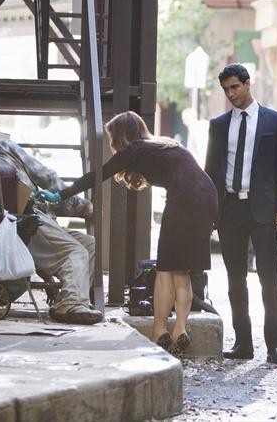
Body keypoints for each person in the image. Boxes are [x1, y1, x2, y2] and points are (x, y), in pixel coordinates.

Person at [37, 111, 218, 356]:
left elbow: (96, 176)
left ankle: (159, 330)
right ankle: (180, 329)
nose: (112, 144)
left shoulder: (133, 150)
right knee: (181, 270)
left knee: (165, 270)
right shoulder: (165, 143)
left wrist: (60, 195)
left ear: (121, 135)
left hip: (183, 200)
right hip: (208, 197)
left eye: (113, 138)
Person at [205, 63, 277, 365]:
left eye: (235, 87)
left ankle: (274, 346)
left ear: (247, 84)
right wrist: (210, 210)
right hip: (230, 209)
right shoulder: (218, 125)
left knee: (270, 279)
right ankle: (243, 342)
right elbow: (211, 171)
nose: (231, 94)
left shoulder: (274, 121)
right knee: (234, 280)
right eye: (226, 90)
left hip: (263, 209)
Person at [0, 138, 103, 325]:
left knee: (89, 244)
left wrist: (47, 278)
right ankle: (70, 303)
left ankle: (74, 300)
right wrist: (83, 207)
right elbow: (48, 178)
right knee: (76, 251)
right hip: (28, 220)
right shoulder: (6, 147)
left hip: (18, 224)